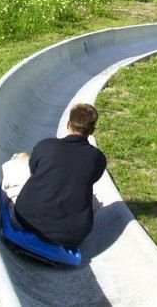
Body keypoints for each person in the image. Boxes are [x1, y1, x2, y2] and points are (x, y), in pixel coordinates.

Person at [11, 103, 106, 249]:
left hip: (27, 219)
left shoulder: (46, 146)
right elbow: (91, 180)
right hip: (72, 235)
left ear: (68, 124)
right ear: (92, 130)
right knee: (93, 200)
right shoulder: (98, 158)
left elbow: (33, 172)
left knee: (20, 158)